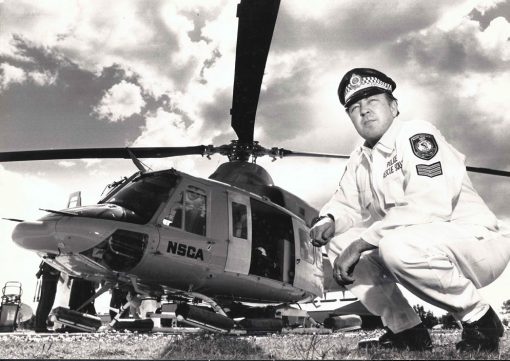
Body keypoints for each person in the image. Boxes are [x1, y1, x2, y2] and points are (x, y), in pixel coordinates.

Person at [309, 67, 510, 352]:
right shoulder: (360, 159)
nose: (364, 111)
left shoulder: (416, 134)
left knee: (391, 244)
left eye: (372, 102)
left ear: (393, 106)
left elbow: (427, 203)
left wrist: (360, 244)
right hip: (419, 244)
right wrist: (329, 220)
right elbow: (345, 204)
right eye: (355, 107)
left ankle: (480, 320)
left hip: (476, 243)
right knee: (341, 241)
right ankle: (406, 331)